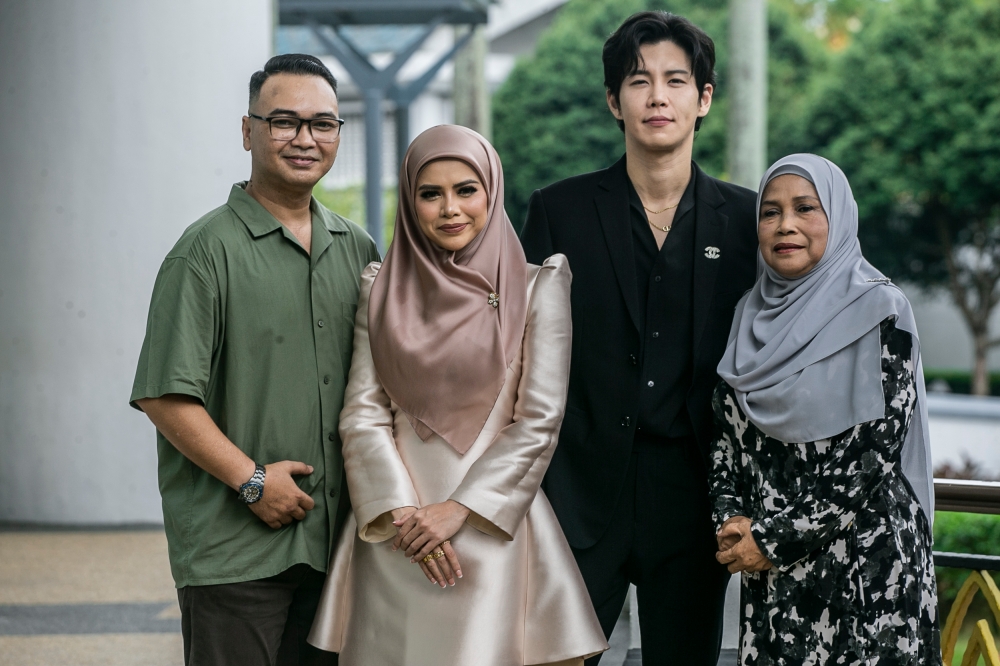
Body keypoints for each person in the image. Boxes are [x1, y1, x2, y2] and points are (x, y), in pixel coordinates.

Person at [306, 124, 608, 666]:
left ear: (491, 192)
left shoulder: (540, 285)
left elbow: (538, 420)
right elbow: (363, 415)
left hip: (493, 531)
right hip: (396, 534)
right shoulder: (379, 287)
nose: (450, 209)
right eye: (430, 193)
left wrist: (458, 510)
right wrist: (404, 516)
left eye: (466, 190)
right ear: (409, 201)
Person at [519, 11, 758, 664]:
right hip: (575, 493)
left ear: (703, 98)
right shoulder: (557, 209)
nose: (657, 96)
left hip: (691, 501)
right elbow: (520, 355)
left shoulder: (746, 220)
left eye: (676, 80)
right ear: (612, 101)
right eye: (638, 80)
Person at [129, 54, 379, 666]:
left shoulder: (360, 248)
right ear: (248, 131)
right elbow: (164, 395)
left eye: (323, 124)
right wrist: (252, 481)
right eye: (284, 122)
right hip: (234, 550)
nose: (305, 139)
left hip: (337, 546)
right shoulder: (202, 253)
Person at [710, 154, 941, 665]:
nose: (785, 225)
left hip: (867, 574)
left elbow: (872, 455)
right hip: (775, 582)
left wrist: (770, 538)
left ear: (837, 218)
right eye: (769, 212)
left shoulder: (882, 310)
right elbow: (726, 439)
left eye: (805, 208)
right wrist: (729, 519)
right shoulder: (746, 317)